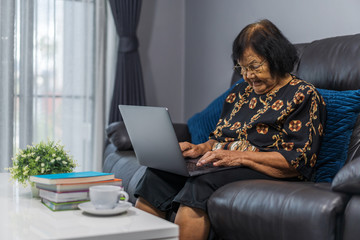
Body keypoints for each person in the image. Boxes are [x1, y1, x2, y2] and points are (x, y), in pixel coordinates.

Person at [134, 19, 326, 240]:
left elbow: (299, 159)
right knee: (158, 175)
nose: (247, 76)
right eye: (242, 68)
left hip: (268, 168)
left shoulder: (303, 94)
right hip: (228, 163)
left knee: (199, 183)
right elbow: (219, 137)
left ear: (277, 59)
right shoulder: (240, 92)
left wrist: (240, 157)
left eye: (254, 67)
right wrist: (199, 149)